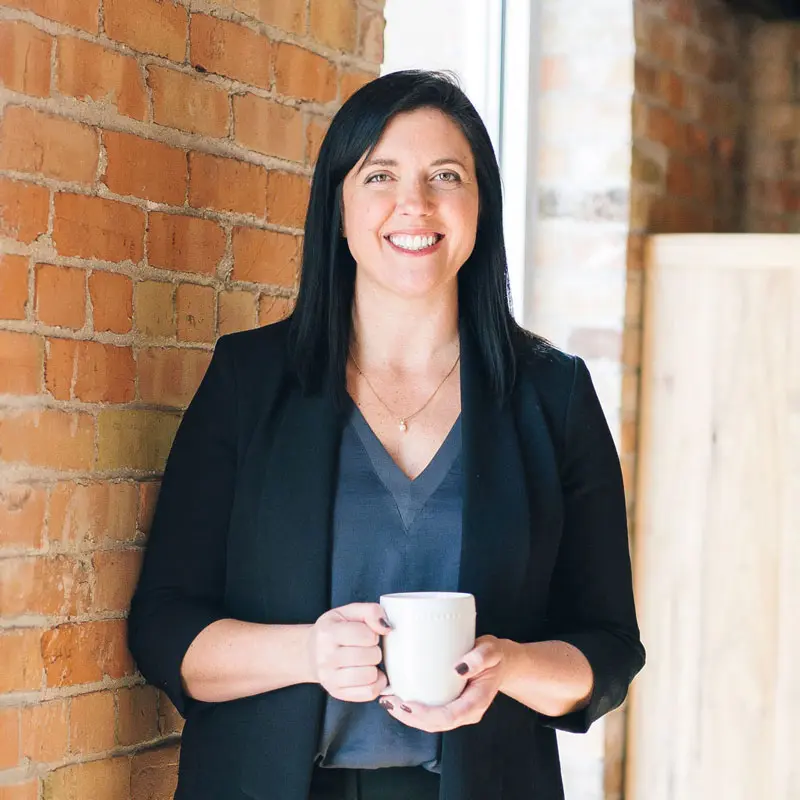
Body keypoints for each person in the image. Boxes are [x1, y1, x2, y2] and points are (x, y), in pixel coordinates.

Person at [127, 70, 645, 800]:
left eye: (446, 175)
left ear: (480, 208)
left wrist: (510, 667)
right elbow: (162, 629)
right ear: (337, 209)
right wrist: (308, 654)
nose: (416, 203)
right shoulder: (249, 381)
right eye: (380, 175)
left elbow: (610, 650)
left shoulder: (553, 396)